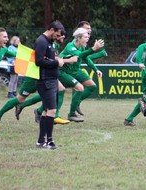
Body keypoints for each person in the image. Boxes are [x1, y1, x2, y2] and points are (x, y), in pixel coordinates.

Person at [58, 27, 104, 122]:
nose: (88, 38)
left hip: (74, 71)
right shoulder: (70, 47)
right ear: (78, 38)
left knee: (92, 86)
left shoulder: (82, 46)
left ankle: (76, 104)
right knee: (55, 92)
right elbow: (80, 55)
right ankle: (70, 113)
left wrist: (96, 70)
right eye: (86, 37)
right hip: (63, 72)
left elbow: (86, 58)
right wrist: (93, 49)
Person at [34, 20, 66, 149]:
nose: (58, 38)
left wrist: (55, 60)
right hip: (46, 80)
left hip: (50, 79)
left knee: (47, 111)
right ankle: (49, 142)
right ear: (51, 30)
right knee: (52, 111)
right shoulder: (42, 41)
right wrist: (56, 63)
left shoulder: (48, 42)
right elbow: (39, 61)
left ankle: (41, 141)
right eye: (57, 35)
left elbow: (47, 58)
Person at [0, 28, 17, 130]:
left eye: (7, 37)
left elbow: (18, 55)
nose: (7, 39)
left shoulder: (4, 50)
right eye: (4, 37)